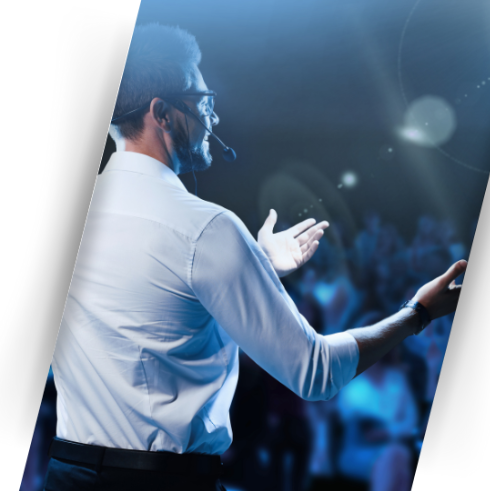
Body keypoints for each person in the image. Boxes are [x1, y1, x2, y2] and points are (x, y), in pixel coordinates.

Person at [44, 24, 466, 491]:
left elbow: (152, 319)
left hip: (65, 475)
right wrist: (418, 312)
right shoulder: (206, 229)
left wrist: (254, 267)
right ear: (161, 112)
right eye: (202, 99)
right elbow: (315, 372)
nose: (213, 116)